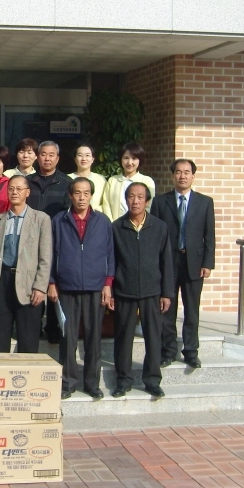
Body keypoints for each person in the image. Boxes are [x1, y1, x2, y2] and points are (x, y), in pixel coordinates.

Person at [49, 177, 114, 401]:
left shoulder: (103, 222)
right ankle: (68, 382)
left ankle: (92, 384)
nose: (82, 197)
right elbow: (49, 254)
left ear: (91, 195)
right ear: (70, 195)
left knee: (93, 338)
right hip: (66, 287)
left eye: (86, 193)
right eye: (77, 193)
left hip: (95, 288)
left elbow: (110, 255)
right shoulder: (59, 220)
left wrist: (107, 284)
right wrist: (51, 282)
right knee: (67, 337)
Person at [108, 183, 174, 399]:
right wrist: (110, 289)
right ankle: (123, 380)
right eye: (131, 197)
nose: (135, 201)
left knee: (153, 338)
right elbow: (111, 261)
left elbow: (166, 262)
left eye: (140, 197)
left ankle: (152, 380)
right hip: (124, 291)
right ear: (125, 200)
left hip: (152, 291)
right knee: (123, 338)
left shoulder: (159, 227)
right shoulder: (116, 227)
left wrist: (167, 293)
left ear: (147, 201)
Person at [150, 159, 216, 370]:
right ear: (173, 176)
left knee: (192, 310)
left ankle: (191, 351)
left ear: (193, 176)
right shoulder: (161, 202)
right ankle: (167, 350)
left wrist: (208, 263)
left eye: (187, 172)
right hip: (169, 262)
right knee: (167, 308)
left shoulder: (205, 202)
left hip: (194, 263)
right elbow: (155, 236)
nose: (182, 176)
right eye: (178, 172)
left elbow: (210, 236)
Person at [0, 175, 52, 353]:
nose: (14, 192)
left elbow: (45, 256)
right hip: (1, 281)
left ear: (27, 192)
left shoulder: (41, 219)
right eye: (11, 188)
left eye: (19, 189)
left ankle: (26, 377)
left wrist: (40, 287)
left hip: (28, 283)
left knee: (28, 337)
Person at [27, 141, 73, 344]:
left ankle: (53, 327)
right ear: (37, 157)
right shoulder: (28, 181)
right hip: (29, 241)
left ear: (58, 158)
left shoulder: (66, 183)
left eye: (51, 155)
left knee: (54, 286)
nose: (47, 158)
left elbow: (68, 215)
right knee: (31, 284)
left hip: (55, 242)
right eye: (43, 154)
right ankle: (33, 326)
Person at [100, 142, 156, 221]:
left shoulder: (147, 181)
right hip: (115, 227)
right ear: (121, 159)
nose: (130, 162)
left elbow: (149, 206)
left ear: (140, 160)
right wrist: (111, 224)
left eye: (134, 158)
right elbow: (106, 205)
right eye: (126, 158)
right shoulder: (112, 181)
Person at [68, 144, 106, 210]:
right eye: (80, 155)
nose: (84, 159)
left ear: (93, 159)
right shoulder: (66, 179)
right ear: (75, 159)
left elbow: (106, 203)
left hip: (96, 217)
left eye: (87, 155)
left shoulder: (101, 179)